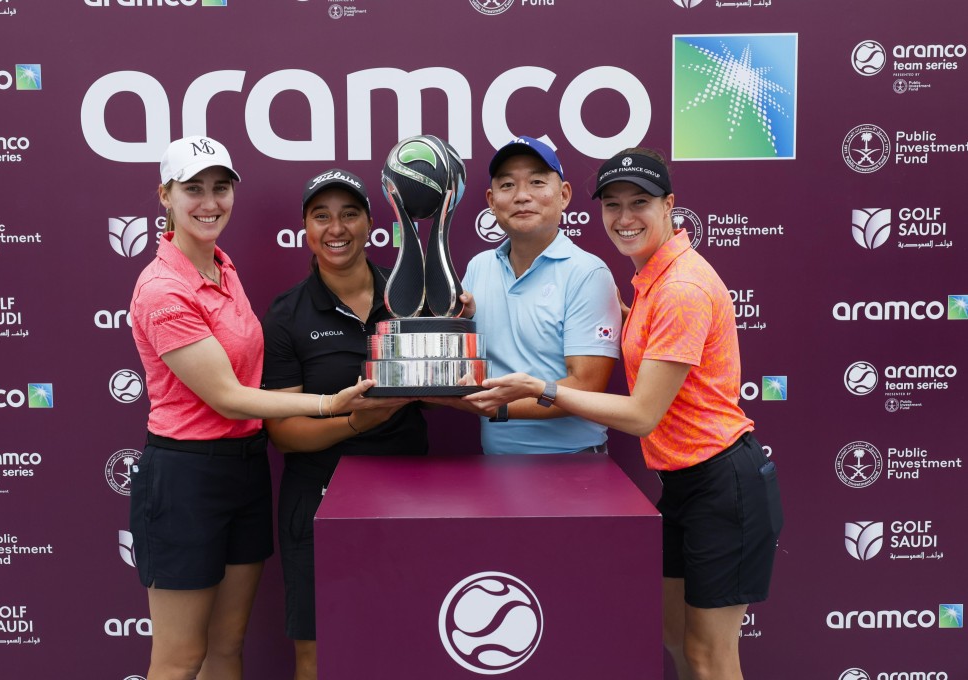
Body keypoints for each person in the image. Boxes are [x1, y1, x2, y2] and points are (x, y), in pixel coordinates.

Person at [467, 148, 784, 680]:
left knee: (710, 656)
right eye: (612, 205)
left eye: (640, 202)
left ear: (670, 206)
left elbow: (641, 416)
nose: (625, 217)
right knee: (678, 642)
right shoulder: (652, 279)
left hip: (723, 482)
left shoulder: (680, 286)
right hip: (685, 483)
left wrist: (541, 387)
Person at [128, 138, 391, 680]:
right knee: (179, 659)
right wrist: (327, 404)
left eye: (220, 188)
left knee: (227, 647)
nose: (209, 202)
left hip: (243, 466)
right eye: (193, 189)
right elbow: (225, 395)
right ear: (165, 196)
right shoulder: (162, 288)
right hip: (185, 474)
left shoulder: (224, 268)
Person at [261, 169, 428, 680]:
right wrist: (357, 420)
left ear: (372, 223)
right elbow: (284, 432)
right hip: (319, 497)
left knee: (406, 641)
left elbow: (452, 382)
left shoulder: (414, 299)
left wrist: (454, 328)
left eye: (350, 213)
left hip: (407, 493)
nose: (337, 228)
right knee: (318, 652)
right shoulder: (287, 315)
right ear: (305, 229)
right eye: (322, 216)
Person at [437, 136, 621, 454]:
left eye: (536, 182)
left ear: (563, 195)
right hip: (496, 465)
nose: (522, 196)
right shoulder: (479, 267)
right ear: (492, 201)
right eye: (508, 185)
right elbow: (462, 364)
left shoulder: (587, 273)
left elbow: (586, 388)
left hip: (574, 466)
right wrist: (457, 325)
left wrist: (497, 407)